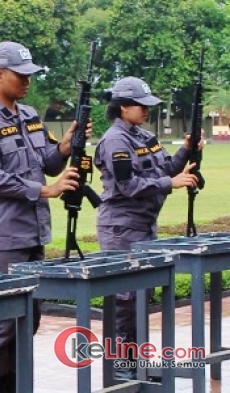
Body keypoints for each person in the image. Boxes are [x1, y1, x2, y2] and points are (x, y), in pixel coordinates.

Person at [0, 41, 91, 393]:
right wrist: (45, 190)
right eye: (20, 75)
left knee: (28, 320)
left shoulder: (30, 116)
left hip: (34, 234)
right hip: (3, 237)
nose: (27, 82)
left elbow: (47, 162)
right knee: (1, 323)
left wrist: (64, 147)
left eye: (29, 75)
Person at [94, 76, 200, 380]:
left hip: (143, 226)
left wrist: (185, 152)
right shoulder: (116, 140)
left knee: (142, 297)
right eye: (141, 106)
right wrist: (171, 183)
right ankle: (120, 368)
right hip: (121, 228)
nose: (146, 111)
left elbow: (165, 169)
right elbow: (128, 185)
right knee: (125, 301)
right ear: (123, 107)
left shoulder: (144, 136)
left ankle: (136, 365)